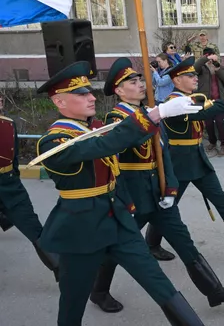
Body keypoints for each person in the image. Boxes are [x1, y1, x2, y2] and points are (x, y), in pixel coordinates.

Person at [36, 61, 206, 325]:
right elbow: (107, 144)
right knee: (73, 301)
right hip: (82, 230)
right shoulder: (54, 141)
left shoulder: (93, 128)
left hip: (118, 220)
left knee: (159, 283)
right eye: (81, 94)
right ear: (59, 102)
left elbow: (115, 158)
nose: (92, 97)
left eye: (89, 92)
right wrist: (154, 115)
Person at [89, 57, 224, 313]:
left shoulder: (148, 113)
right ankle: (98, 290)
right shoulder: (117, 119)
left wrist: (170, 188)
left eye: (140, 79)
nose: (140, 83)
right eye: (132, 81)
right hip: (135, 197)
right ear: (118, 90)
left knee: (184, 242)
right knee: (117, 247)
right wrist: (124, 201)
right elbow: (115, 160)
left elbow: (165, 155)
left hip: (158, 193)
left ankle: (214, 291)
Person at [145, 57, 224, 261]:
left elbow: (208, 105)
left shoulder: (192, 97)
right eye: (190, 75)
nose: (195, 77)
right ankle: (151, 243)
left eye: (195, 74)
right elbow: (204, 112)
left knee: (222, 201)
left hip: (198, 159)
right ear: (176, 81)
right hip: (179, 163)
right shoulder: (173, 103)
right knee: (167, 207)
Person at [0, 93, 59, 280]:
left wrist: (14, 180)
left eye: (0, 99)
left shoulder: (8, 124)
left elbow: (14, 157)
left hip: (10, 186)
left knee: (35, 229)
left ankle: (62, 272)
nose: (0, 101)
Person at [194, 47, 224, 156]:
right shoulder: (202, 69)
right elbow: (195, 67)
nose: (210, 60)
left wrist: (218, 70)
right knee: (209, 124)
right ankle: (212, 142)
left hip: (219, 100)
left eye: (211, 56)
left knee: (220, 123)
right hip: (206, 100)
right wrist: (206, 58)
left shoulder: (219, 67)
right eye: (207, 57)